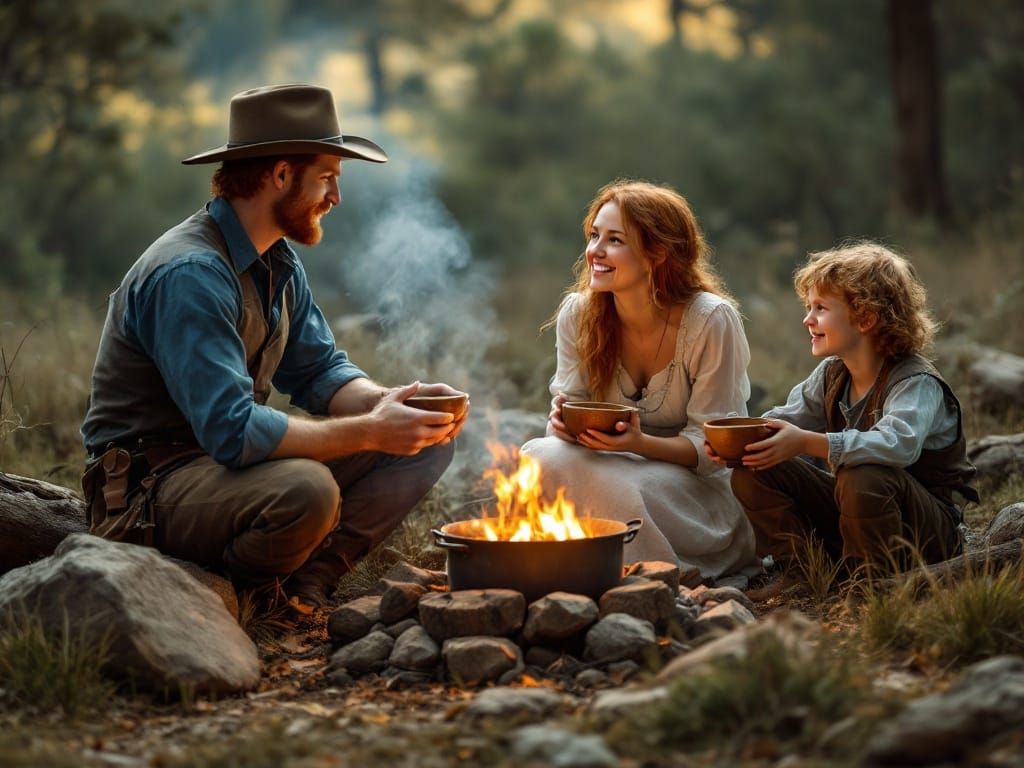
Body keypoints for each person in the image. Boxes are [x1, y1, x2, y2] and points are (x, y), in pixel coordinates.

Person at [80, 84, 468, 609]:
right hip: (150, 488)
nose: (336, 197)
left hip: (226, 472)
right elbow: (234, 431)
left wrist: (390, 404)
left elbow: (318, 371)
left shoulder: (276, 261)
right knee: (306, 491)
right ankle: (244, 596)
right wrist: (370, 432)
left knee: (427, 438)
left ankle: (307, 585)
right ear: (280, 175)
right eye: (327, 178)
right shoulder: (191, 274)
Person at [521, 180, 761, 581]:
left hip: (691, 490)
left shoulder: (710, 320)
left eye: (614, 240)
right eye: (594, 235)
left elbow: (711, 448)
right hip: (610, 467)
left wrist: (639, 444)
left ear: (658, 253)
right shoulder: (579, 315)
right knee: (538, 456)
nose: (595, 251)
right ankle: (555, 566)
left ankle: (649, 580)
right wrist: (562, 422)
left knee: (616, 489)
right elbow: (567, 414)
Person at [711, 242, 977, 575]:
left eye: (820, 308)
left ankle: (871, 583)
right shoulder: (832, 374)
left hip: (925, 534)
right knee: (755, 468)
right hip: (858, 516)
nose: (807, 319)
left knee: (861, 470)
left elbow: (899, 446)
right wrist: (738, 443)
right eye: (808, 307)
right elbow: (784, 419)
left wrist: (808, 443)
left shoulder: (915, 382)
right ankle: (806, 573)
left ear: (865, 318)